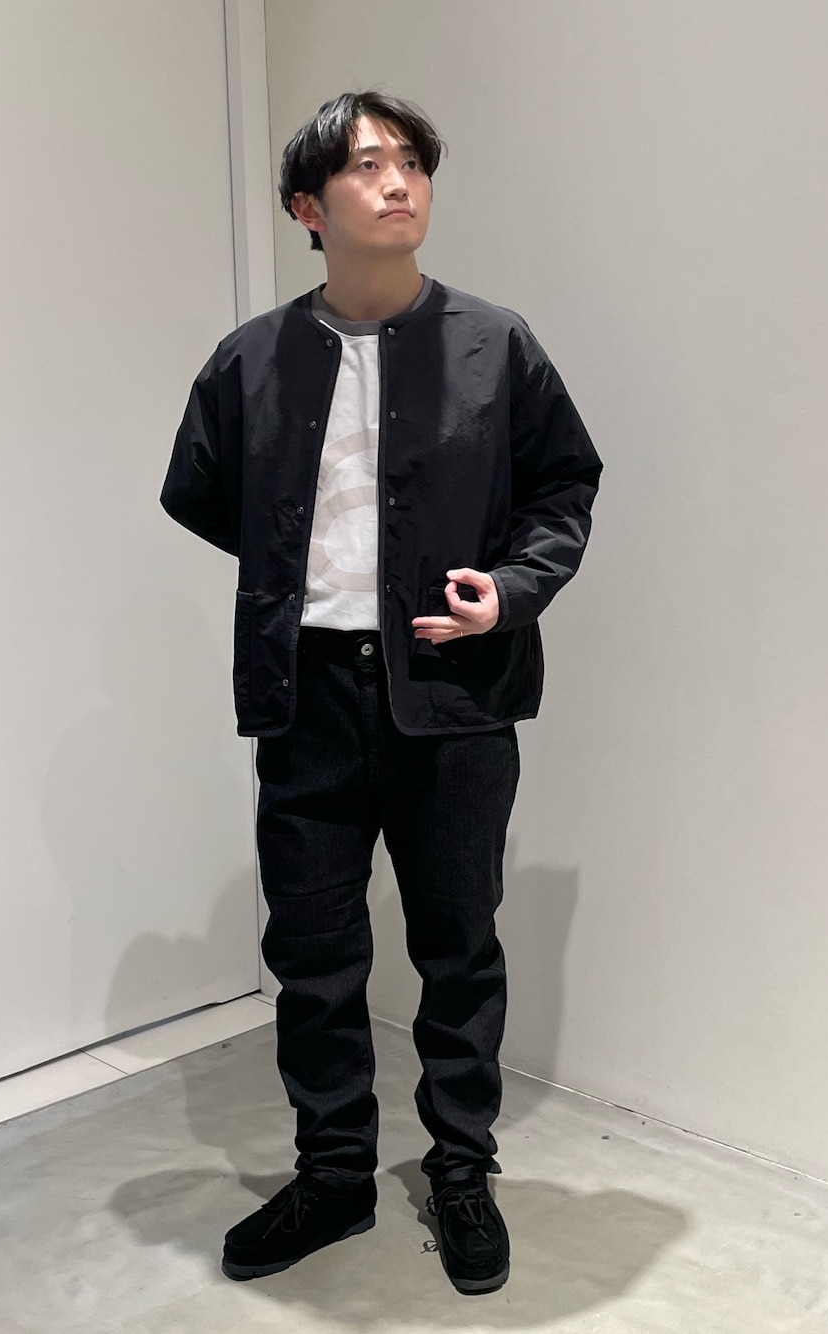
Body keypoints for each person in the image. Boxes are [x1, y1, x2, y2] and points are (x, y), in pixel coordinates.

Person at [160, 89, 602, 1296]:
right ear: (309, 207)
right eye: (365, 165)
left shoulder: (495, 344)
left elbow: (563, 486)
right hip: (307, 691)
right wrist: (303, 568)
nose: (397, 181)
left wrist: (509, 591)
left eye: (411, 161)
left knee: (458, 945)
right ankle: (334, 1172)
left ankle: (461, 1169)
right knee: (312, 951)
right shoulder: (251, 360)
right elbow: (200, 491)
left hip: (454, 693)